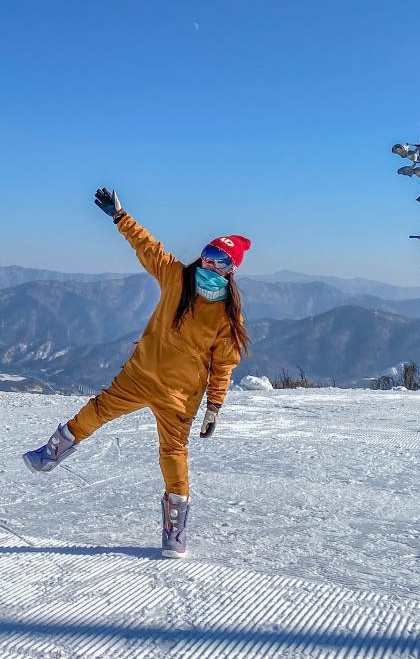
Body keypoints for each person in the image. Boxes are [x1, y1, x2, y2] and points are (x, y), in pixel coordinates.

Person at [24, 188, 251, 558]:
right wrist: (119, 216)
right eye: (209, 255)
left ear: (231, 270)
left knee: (174, 453)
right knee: (95, 411)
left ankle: (174, 531)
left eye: (220, 261)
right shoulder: (176, 278)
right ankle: (53, 452)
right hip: (139, 374)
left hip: (180, 394)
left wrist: (214, 407)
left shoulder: (227, 316)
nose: (210, 265)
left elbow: (224, 364)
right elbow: (149, 247)